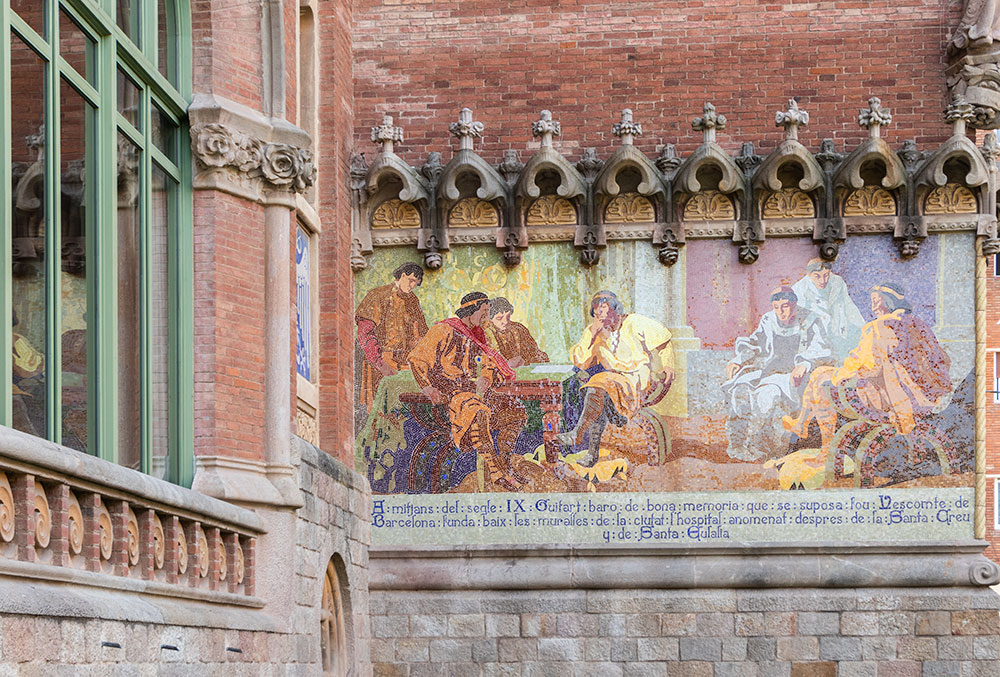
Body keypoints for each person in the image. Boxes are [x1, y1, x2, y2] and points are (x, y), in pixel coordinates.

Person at [783, 282, 952, 459]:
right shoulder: (919, 325)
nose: (873, 306)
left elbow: (867, 366)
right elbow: (942, 360)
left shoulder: (879, 326)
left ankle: (823, 447)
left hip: (885, 398)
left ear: (887, 302)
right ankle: (802, 423)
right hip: (921, 398)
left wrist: (840, 376)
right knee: (821, 374)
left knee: (822, 382)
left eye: (876, 301)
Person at [407, 292, 527, 491]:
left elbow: (488, 363)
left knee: (515, 411)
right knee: (478, 412)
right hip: (453, 394)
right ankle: (496, 472)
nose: (487, 317)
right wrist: (428, 387)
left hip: (475, 392)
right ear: (471, 310)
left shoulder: (478, 336)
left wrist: (486, 378)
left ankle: (506, 466)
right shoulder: (443, 330)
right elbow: (418, 359)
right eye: (485, 312)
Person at [555, 290, 674, 467]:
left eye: (603, 308)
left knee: (598, 385)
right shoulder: (595, 331)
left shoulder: (634, 322)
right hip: (610, 382)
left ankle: (578, 434)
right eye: (596, 311)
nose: (600, 314)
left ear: (615, 308)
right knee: (597, 393)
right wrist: (592, 338)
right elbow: (580, 362)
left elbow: (664, 342)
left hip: (636, 379)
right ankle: (591, 455)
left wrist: (668, 364)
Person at [722, 285, 833, 462]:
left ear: (794, 304)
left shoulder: (811, 319)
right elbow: (755, 342)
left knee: (767, 395)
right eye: (777, 307)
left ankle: (761, 444)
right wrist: (738, 360)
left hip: (794, 377)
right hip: (767, 371)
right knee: (739, 390)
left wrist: (804, 363)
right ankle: (738, 445)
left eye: (786, 306)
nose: (781, 311)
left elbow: (821, 348)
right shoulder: (769, 319)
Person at [355, 262, 429, 410]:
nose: (413, 285)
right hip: (382, 361)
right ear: (402, 275)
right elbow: (365, 333)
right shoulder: (377, 295)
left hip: (406, 363)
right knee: (382, 410)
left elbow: (421, 334)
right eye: (411, 280)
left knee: (408, 409)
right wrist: (380, 363)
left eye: (416, 283)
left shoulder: (413, 301)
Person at [791, 258, 865, 363]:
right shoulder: (799, 290)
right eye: (817, 276)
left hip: (837, 331)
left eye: (826, 275)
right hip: (813, 337)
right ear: (809, 274)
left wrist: (864, 328)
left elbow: (849, 307)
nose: (823, 280)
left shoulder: (837, 282)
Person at [484, 297, 548, 368]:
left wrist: (526, 361)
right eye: (499, 318)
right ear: (490, 318)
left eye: (508, 317)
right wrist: (507, 364)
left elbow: (535, 352)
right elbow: (487, 362)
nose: (505, 322)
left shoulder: (518, 328)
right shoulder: (485, 333)